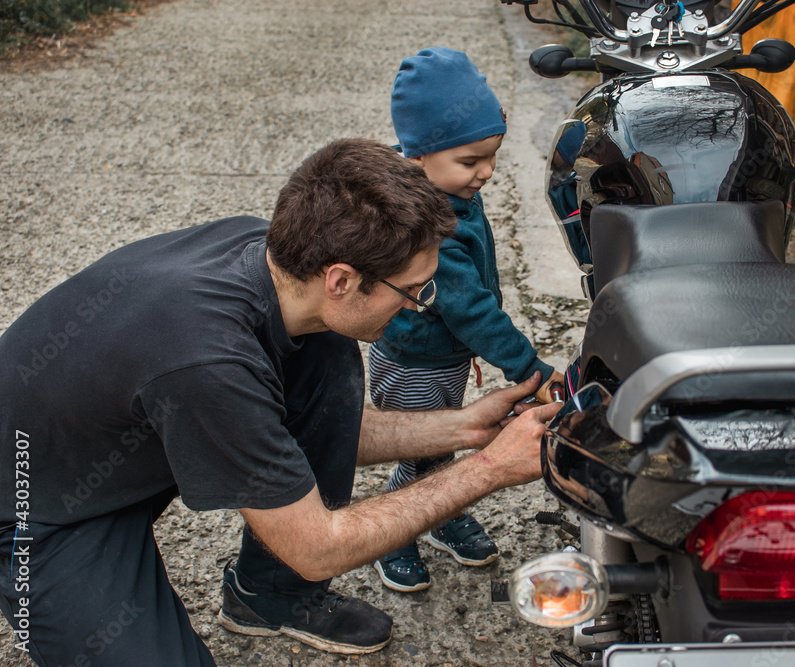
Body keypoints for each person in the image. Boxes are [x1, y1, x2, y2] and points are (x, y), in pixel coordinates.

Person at [0, 138, 561, 664]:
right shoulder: (209, 363)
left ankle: (268, 594)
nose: (418, 306)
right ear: (341, 279)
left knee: (326, 349)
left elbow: (301, 428)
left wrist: (466, 430)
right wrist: (489, 470)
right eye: (412, 291)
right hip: (35, 512)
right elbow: (318, 547)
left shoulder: (279, 262)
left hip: (121, 440)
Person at [368, 47, 564, 593]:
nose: (487, 172)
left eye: (492, 155)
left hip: (444, 356)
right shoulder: (429, 224)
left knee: (442, 440)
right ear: (416, 156)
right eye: (471, 160)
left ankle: (440, 510)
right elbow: (470, 307)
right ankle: (396, 530)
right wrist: (526, 366)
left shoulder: (443, 185)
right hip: (414, 361)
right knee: (422, 447)